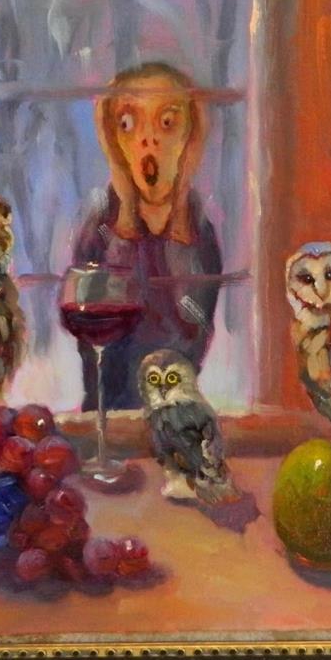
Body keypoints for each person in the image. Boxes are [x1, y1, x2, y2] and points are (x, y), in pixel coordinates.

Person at [72, 62, 223, 410]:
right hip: (107, 417)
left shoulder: (198, 229)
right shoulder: (101, 226)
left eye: (167, 123)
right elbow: (97, 342)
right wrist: (126, 215)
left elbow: (190, 330)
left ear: (190, 136)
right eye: (127, 124)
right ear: (113, 139)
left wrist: (179, 205)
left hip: (176, 411)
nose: (147, 139)